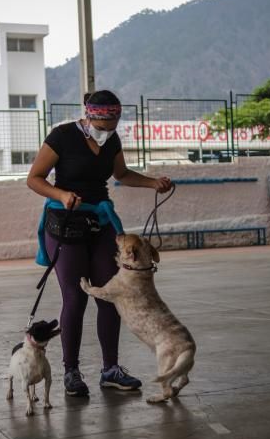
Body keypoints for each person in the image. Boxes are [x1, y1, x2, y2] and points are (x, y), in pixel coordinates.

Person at [27, 90, 172, 397]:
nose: (108, 131)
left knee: (110, 295)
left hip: (101, 222)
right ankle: (71, 371)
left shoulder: (113, 141)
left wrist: (152, 183)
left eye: (114, 125)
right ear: (90, 116)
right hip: (65, 223)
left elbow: (120, 174)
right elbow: (35, 178)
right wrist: (62, 195)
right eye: (104, 125)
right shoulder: (62, 136)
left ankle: (110, 369)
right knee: (75, 297)